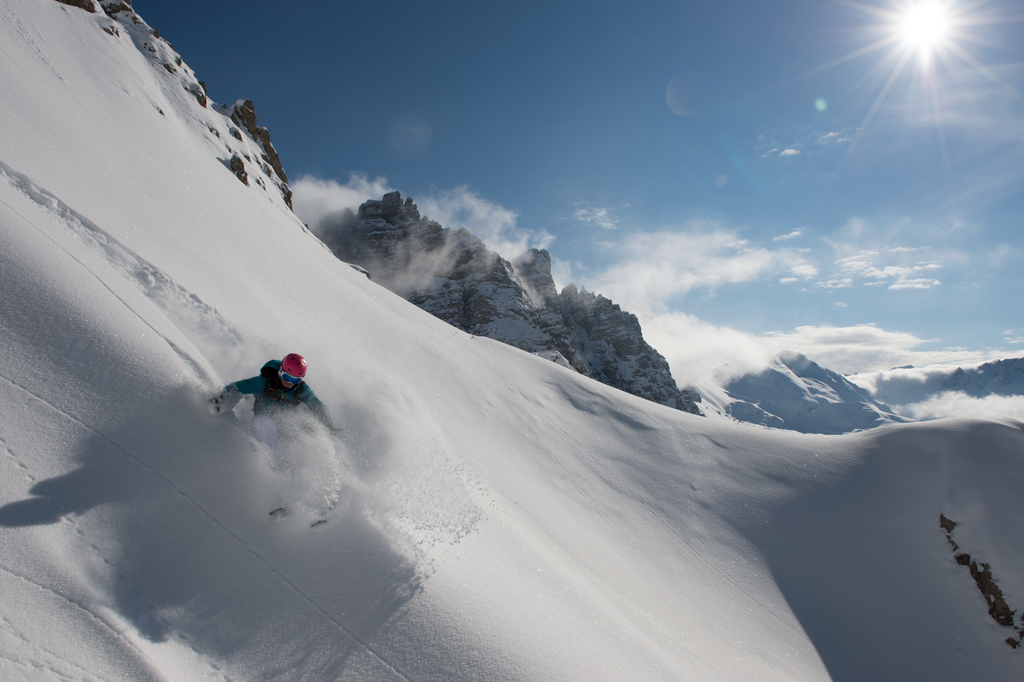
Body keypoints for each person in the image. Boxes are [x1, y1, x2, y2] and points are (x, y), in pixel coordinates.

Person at [209, 353, 337, 443]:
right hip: (262, 421)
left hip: (285, 424)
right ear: (280, 371)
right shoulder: (264, 382)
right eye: (287, 377)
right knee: (266, 426)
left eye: (296, 379)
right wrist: (221, 400)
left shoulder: (301, 389)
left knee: (304, 430)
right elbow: (236, 387)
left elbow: (316, 405)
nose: (290, 382)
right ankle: (275, 466)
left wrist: (329, 427)